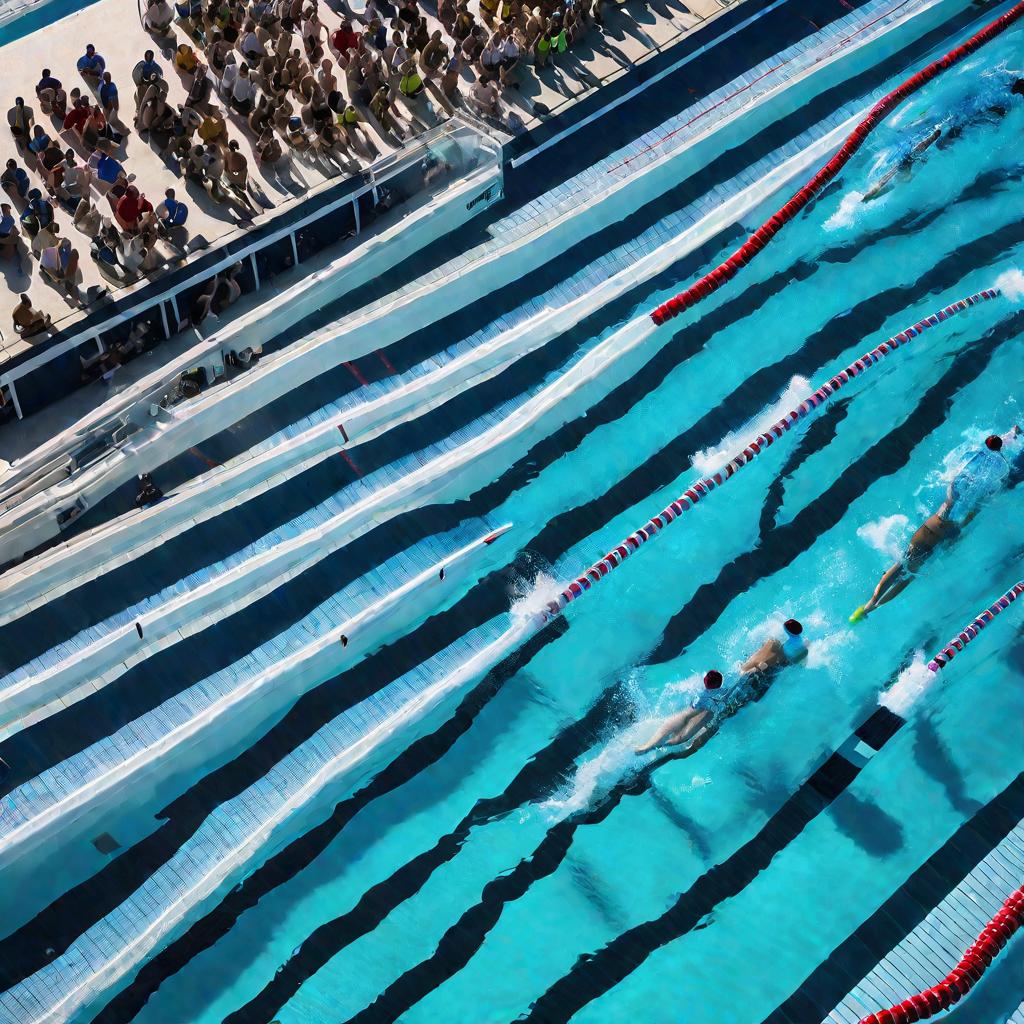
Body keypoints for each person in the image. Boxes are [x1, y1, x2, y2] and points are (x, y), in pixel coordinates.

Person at [851, 432, 1017, 620]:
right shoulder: (975, 498)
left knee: (901, 563)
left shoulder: (959, 480)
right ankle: (871, 608)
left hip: (929, 526)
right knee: (909, 576)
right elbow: (969, 517)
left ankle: (869, 604)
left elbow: (954, 478)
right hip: (940, 536)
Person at [635, 670, 729, 754]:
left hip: (700, 707)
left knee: (684, 717)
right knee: (705, 721)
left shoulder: (701, 695)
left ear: (705, 681)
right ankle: (666, 744)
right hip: (712, 711)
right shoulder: (722, 690)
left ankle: (651, 745)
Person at [739, 618, 808, 679]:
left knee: (773, 647)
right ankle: (756, 666)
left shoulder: (792, 644)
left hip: (783, 660)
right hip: (784, 656)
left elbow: (794, 659)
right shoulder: (797, 639)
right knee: (773, 641)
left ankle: (755, 668)